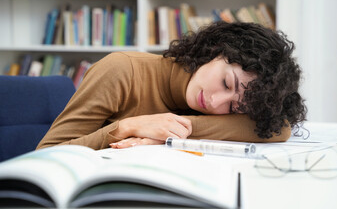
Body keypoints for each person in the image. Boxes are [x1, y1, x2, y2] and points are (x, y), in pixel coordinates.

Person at [36, 21, 306, 150]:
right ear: (217, 49)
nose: (215, 103)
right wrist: (128, 127)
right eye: (226, 83)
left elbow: (279, 129)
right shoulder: (121, 71)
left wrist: (175, 129)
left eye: (234, 106)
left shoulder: (214, 104)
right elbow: (45, 154)